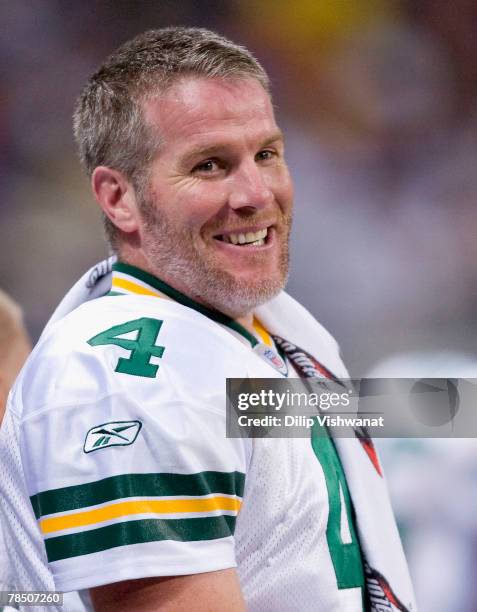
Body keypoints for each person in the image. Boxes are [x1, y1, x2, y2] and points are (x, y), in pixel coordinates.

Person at [0, 28, 415, 611]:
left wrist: (448, 405)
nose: (256, 193)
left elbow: (298, 418)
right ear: (120, 198)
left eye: (266, 154)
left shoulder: (251, 332)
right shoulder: (131, 378)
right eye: (210, 165)